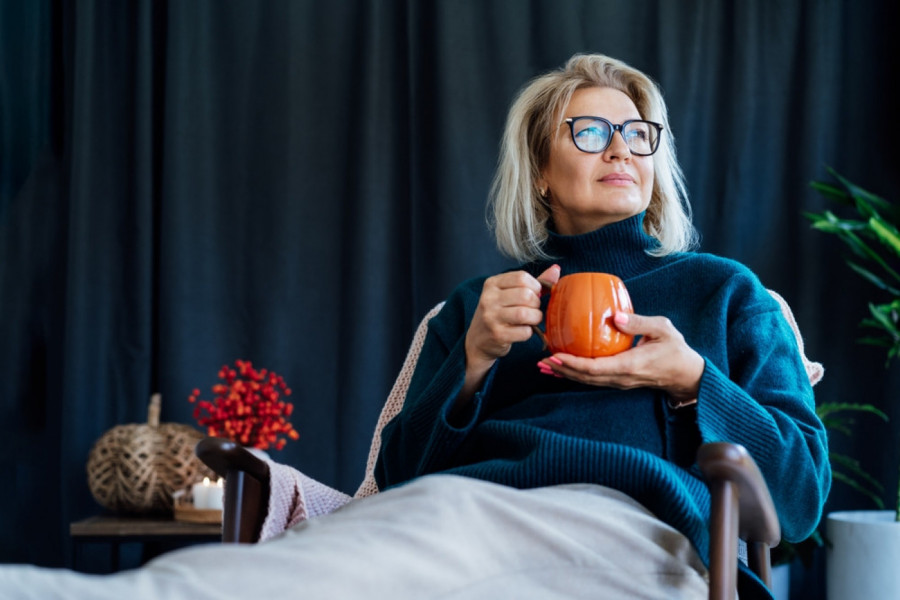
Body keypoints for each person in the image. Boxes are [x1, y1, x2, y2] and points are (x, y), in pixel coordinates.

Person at [0, 53, 829, 600]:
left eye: (637, 133)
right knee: (329, 567)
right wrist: (468, 367)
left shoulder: (725, 293)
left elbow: (799, 496)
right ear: (541, 170)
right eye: (591, 129)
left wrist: (694, 382)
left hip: (638, 538)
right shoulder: (479, 308)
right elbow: (390, 488)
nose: (621, 148)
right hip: (458, 516)